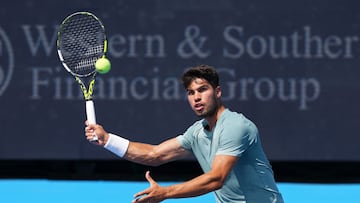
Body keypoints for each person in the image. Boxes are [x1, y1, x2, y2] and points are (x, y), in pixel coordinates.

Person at [85, 64, 284, 203]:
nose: (196, 97)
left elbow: (216, 178)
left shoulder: (235, 126)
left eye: (202, 90)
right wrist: (107, 139)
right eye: (191, 92)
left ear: (218, 92)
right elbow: (154, 155)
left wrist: (165, 193)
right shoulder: (196, 132)